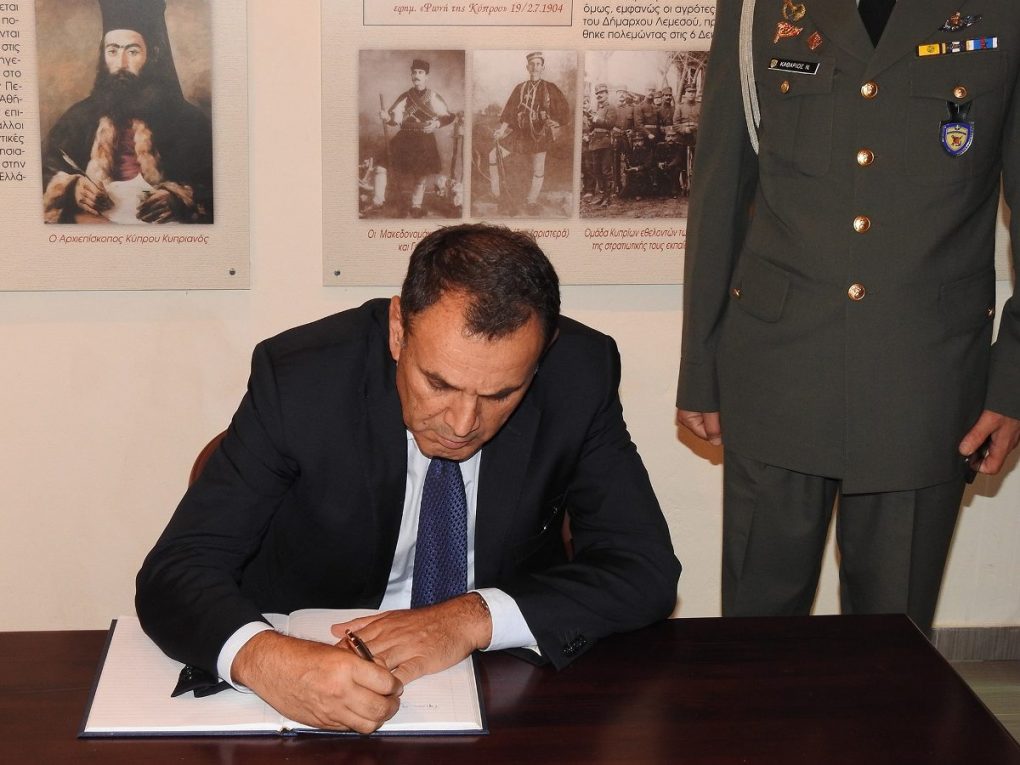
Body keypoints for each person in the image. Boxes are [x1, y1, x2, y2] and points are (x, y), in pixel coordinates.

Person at [137, 223, 681, 733]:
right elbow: (177, 570)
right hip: (316, 664)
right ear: (399, 330)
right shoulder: (303, 378)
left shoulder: (580, 373)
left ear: (541, 357)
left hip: (500, 686)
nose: (463, 424)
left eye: (500, 394)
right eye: (438, 384)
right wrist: (269, 662)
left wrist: (472, 619)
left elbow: (643, 567)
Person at [676, 0, 1020, 637]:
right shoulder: (757, 9)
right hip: (777, 369)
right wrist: (700, 367)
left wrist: (1012, 385)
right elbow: (720, 188)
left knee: (892, 641)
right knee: (755, 636)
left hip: (923, 378)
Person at [41, 0, 212, 224]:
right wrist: (72, 188)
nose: (121, 63)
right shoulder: (78, 117)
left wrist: (179, 199)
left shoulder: (189, 121)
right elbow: (43, 170)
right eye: (112, 51)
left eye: (132, 51)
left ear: (153, 54)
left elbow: (214, 184)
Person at [489, 51, 570, 216]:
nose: (535, 67)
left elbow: (564, 109)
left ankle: (531, 201)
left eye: (538, 64)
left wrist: (558, 122)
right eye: (532, 64)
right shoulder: (520, 88)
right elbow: (509, 112)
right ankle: (497, 195)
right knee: (493, 156)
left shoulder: (550, 88)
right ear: (527, 67)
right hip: (520, 134)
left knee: (538, 169)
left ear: (543, 67)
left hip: (539, 135)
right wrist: (501, 131)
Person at [379, 58, 455, 218]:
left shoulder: (433, 96)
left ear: (427, 76)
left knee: (421, 174)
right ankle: (378, 201)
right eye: (414, 72)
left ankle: (416, 205)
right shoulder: (405, 96)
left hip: (424, 140)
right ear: (411, 75)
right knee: (382, 165)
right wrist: (386, 117)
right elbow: (394, 120)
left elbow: (449, 116)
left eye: (421, 72)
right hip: (404, 138)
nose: (417, 75)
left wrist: (436, 124)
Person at [586, 83, 616, 207]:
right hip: (595, 143)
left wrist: (596, 119)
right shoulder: (597, 109)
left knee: (605, 170)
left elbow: (610, 124)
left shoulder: (611, 108)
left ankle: (608, 198)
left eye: (602, 93)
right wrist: (590, 120)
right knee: (596, 170)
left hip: (605, 142)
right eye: (597, 93)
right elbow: (591, 127)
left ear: (607, 94)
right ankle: (602, 196)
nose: (599, 95)